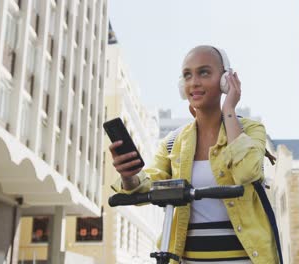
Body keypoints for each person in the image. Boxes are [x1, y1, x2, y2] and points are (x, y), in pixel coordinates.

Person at [109, 45, 279, 264]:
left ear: (225, 79)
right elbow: (147, 184)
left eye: (204, 72)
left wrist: (229, 110)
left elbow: (247, 172)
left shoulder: (250, 131)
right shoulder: (172, 143)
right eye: (187, 75)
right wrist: (128, 176)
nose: (194, 82)